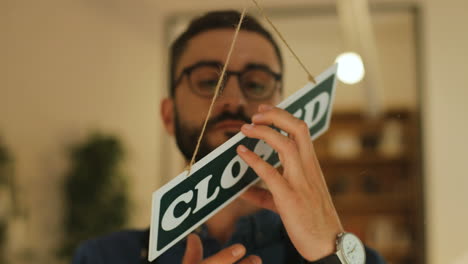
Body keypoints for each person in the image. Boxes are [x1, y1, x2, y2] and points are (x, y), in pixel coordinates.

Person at [72, 10, 385, 264]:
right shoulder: (104, 258)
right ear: (169, 116)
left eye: (257, 83)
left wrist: (329, 254)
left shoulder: (350, 259)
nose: (234, 99)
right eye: (209, 81)